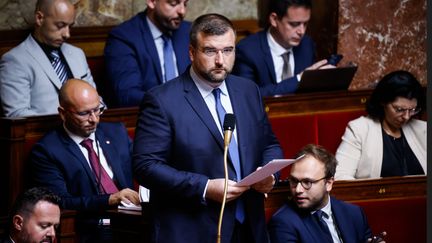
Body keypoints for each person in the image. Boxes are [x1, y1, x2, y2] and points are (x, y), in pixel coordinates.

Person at [132, 13, 284, 243]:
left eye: (228, 50)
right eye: (211, 51)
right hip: (192, 228)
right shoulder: (162, 100)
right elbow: (145, 166)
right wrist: (204, 187)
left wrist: (270, 175)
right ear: (192, 52)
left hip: (249, 226)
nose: (221, 60)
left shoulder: (248, 91)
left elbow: (269, 144)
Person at [30, 79, 139, 242]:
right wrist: (110, 199)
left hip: (132, 217)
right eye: (84, 113)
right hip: (95, 223)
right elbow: (61, 201)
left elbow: (143, 166)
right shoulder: (47, 151)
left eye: (97, 110)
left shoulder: (116, 132)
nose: (94, 119)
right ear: (63, 113)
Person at [268, 144, 384, 243]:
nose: (298, 190)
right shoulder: (283, 222)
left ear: (328, 183)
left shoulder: (354, 214)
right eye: (293, 181)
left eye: (307, 182)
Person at [0, 0, 95, 117]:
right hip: (45, 133)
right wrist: (70, 125)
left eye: (70, 26)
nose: (67, 34)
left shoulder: (77, 54)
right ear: (39, 18)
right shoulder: (15, 60)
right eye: (60, 25)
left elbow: (96, 99)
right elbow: (18, 114)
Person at [335, 70, 426, 180]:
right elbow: (340, 176)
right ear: (383, 102)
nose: (406, 117)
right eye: (399, 109)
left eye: (412, 110)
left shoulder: (423, 129)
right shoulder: (359, 129)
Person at [232, 0, 333, 96]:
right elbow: (248, 96)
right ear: (274, 19)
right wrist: (299, 79)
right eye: (294, 24)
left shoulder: (307, 45)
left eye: (305, 24)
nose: (302, 31)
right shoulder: (247, 51)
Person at [104, 0, 191, 107]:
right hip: (152, 117)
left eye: (185, 4)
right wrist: (172, 102)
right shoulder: (124, 37)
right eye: (173, 3)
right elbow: (127, 95)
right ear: (151, 2)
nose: (182, 11)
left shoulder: (189, 31)